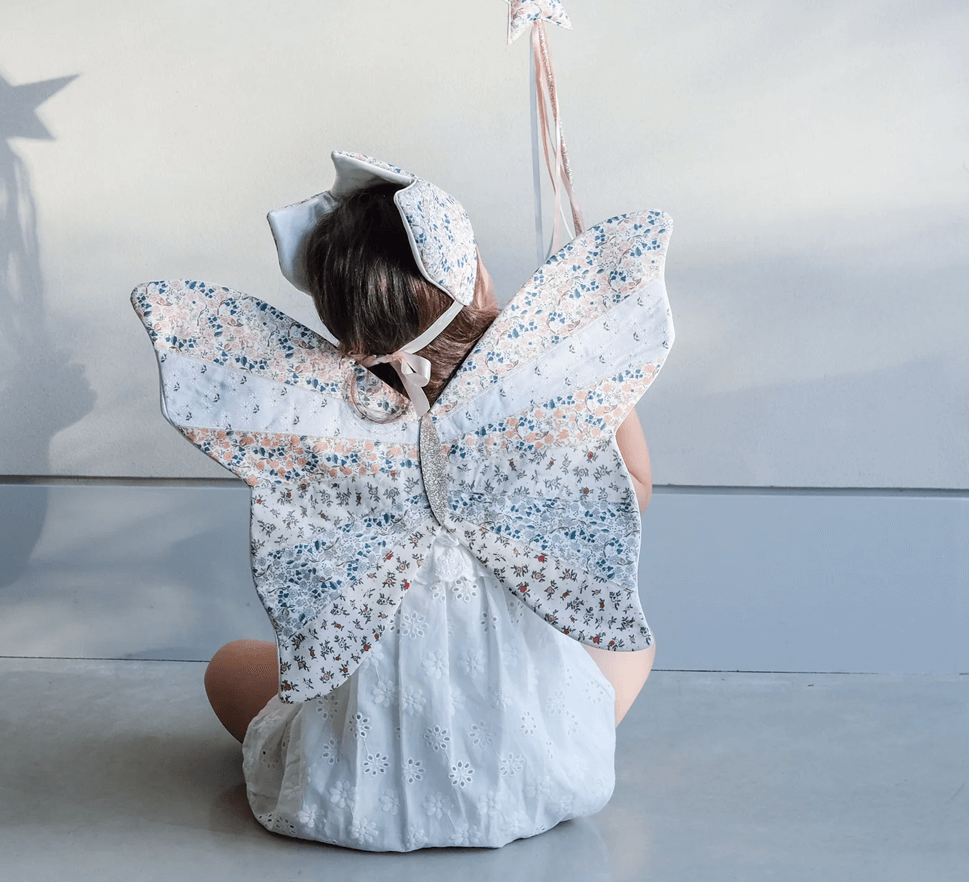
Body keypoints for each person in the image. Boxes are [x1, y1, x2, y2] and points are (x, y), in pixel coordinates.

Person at [132, 151, 673, 850]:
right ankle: (522, 753)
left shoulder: (317, 420)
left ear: (339, 322)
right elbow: (634, 494)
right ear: (477, 278)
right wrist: (595, 388)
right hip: (537, 784)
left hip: (351, 794)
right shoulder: (531, 399)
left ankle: (366, 758)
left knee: (230, 665)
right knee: (633, 649)